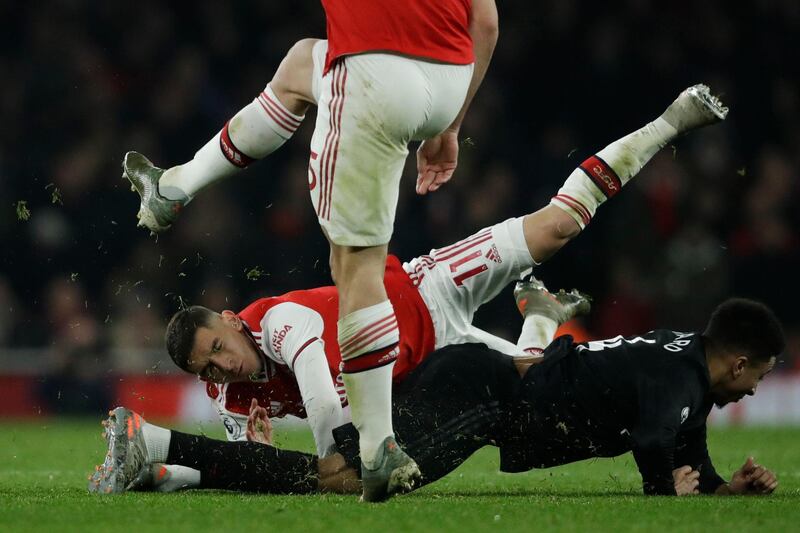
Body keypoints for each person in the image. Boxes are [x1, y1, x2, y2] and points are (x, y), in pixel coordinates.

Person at [160, 84, 727, 471]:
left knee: (556, 229)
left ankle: (670, 120)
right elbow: (253, 463)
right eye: (206, 367)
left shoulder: (278, 324)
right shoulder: (228, 392)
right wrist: (258, 452)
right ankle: (541, 319)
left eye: (217, 347)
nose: (221, 365)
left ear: (233, 322)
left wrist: (326, 462)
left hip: (427, 289)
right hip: (431, 368)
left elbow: (325, 412)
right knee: (537, 387)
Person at [124, 1, 499, 501]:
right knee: (303, 62)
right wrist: (450, 126)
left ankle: (377, 444)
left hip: (373, 75)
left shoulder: (277, 327)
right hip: (452, 77)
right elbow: (488, 24)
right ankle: (174, 186)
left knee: (355, 269)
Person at [88, 296, 783, 497]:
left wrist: (723, 490)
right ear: (738, 359)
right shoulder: (681, 379)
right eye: (761, 371)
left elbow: (680, 443)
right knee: (342, 479)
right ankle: (155, 446)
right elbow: (660, 449)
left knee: (336, 476)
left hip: (460, 377)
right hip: (478, 390)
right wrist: (672, 490)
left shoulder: (682, 370)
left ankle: (158, 457)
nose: (757, 384)